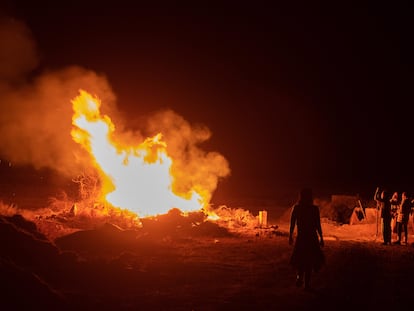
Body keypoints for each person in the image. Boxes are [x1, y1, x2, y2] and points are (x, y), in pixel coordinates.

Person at [289, 188, 325, 291]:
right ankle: (306, 284)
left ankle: (300, 277)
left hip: (301, 237)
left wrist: (290, 236)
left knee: (301, 258)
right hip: (311, 237)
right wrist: (321, 237)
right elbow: (318, 224)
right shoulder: (314, 209)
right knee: (309, 260)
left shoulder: (296, 208)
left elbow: (292, 223)